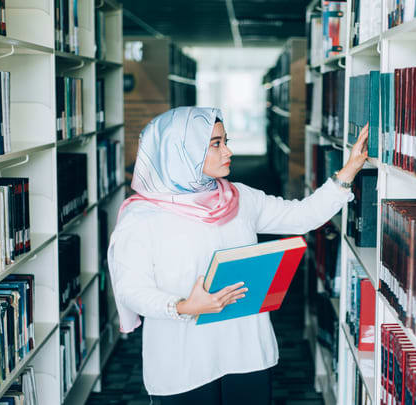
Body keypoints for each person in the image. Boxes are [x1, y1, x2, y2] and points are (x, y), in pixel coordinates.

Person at [107, 107, 369, 405]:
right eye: (215, 144)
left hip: (246, 352)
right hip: (183, 361)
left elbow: (301, 217)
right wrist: (182, 306)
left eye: (225, 140)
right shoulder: (142, 217)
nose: (228, 150)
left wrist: (348, 171)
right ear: (180, 150)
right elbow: (131, 290)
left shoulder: (239, 197)